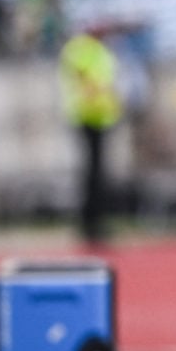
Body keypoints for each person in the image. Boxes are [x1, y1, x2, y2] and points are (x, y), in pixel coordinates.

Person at [58, 30, 123, 246]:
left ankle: (95, 221)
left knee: (97, 174)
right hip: (87, 116)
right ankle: (89, 223)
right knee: (91, 175)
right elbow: (83, 77)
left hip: (100, 117)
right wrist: (96, 92)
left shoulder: (99, 49)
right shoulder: (81, 48)